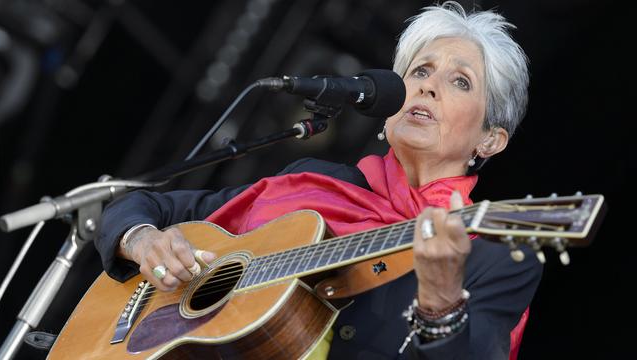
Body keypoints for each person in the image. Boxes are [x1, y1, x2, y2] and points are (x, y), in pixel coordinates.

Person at [95, 2, 542, 359]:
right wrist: (141, 239)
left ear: (490, 140)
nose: (427, 87)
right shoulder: (310, 184)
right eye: (420, 71)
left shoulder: (493, 257)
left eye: (460, 81)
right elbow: (138, 206)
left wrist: (443, 304)